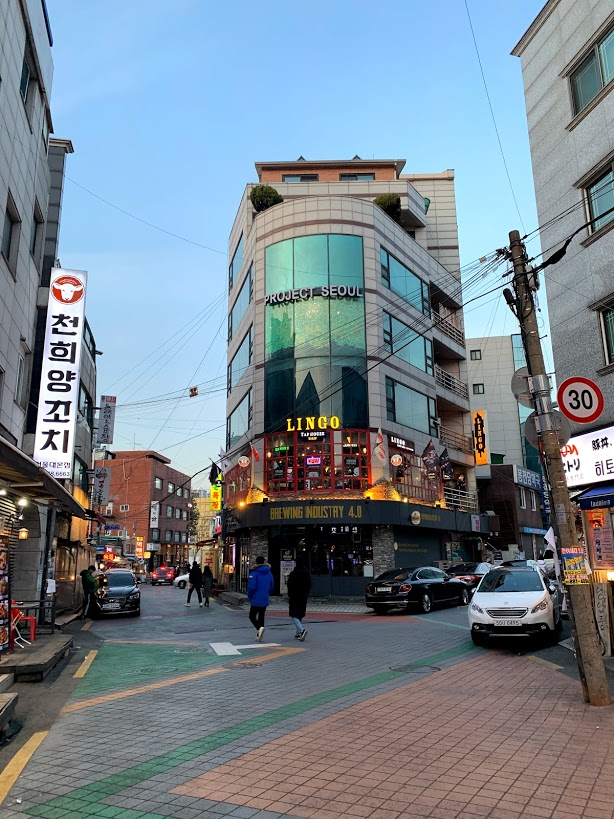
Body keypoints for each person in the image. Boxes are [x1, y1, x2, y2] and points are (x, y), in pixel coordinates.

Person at [247, 555, 274, 642]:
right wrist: (267, 593)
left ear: (256, 562)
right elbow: (271, 586)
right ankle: (259, 634)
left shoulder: (254, 573)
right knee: (261, 616)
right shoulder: (269, 573)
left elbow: (251, 587)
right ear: (264, 562)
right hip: (265, 597)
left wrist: (249, 595)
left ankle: (259, 629)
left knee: (252, 616)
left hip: (256, 598)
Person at [287, 560, 311, 641]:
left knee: (293, 614)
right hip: (303, 596)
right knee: (300, 614)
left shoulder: (293, 574)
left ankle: (302, 630)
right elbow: (309, 584)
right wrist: (306, 593)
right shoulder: (306, 573)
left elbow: (289, 585)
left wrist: (289, 594)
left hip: (294, 596)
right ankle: (298, 634)